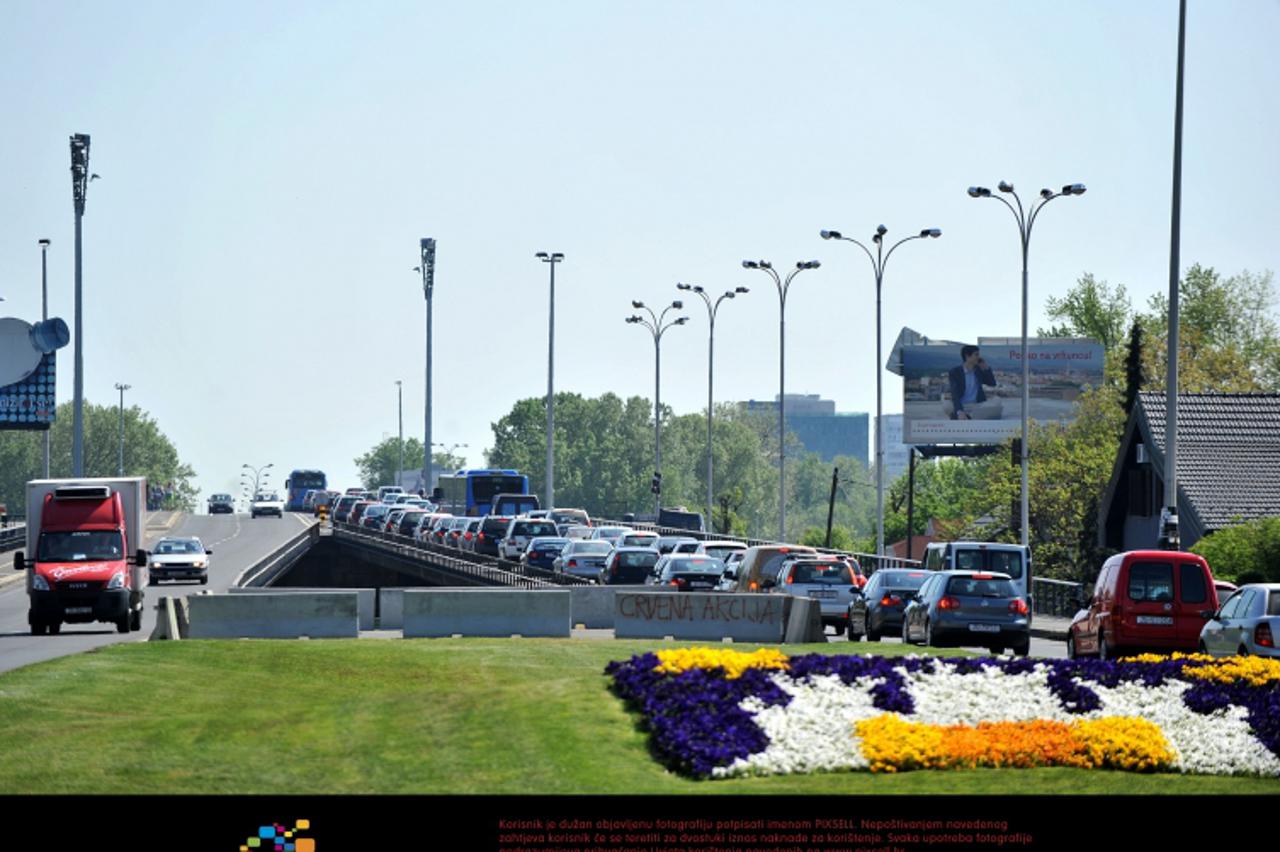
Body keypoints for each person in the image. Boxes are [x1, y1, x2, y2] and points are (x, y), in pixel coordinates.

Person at [946, 345, 999, 420]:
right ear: (967, 356)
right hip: (962, 405)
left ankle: (968, 416)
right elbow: (955, 393)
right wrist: (959, 410)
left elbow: (992, 383)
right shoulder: (955, 372)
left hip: (977, 405)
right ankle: (963, 414)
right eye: (976, 354)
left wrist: (986, 368)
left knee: (997, 401)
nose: (979, 357)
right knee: (946, 405)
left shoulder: (978, 370)